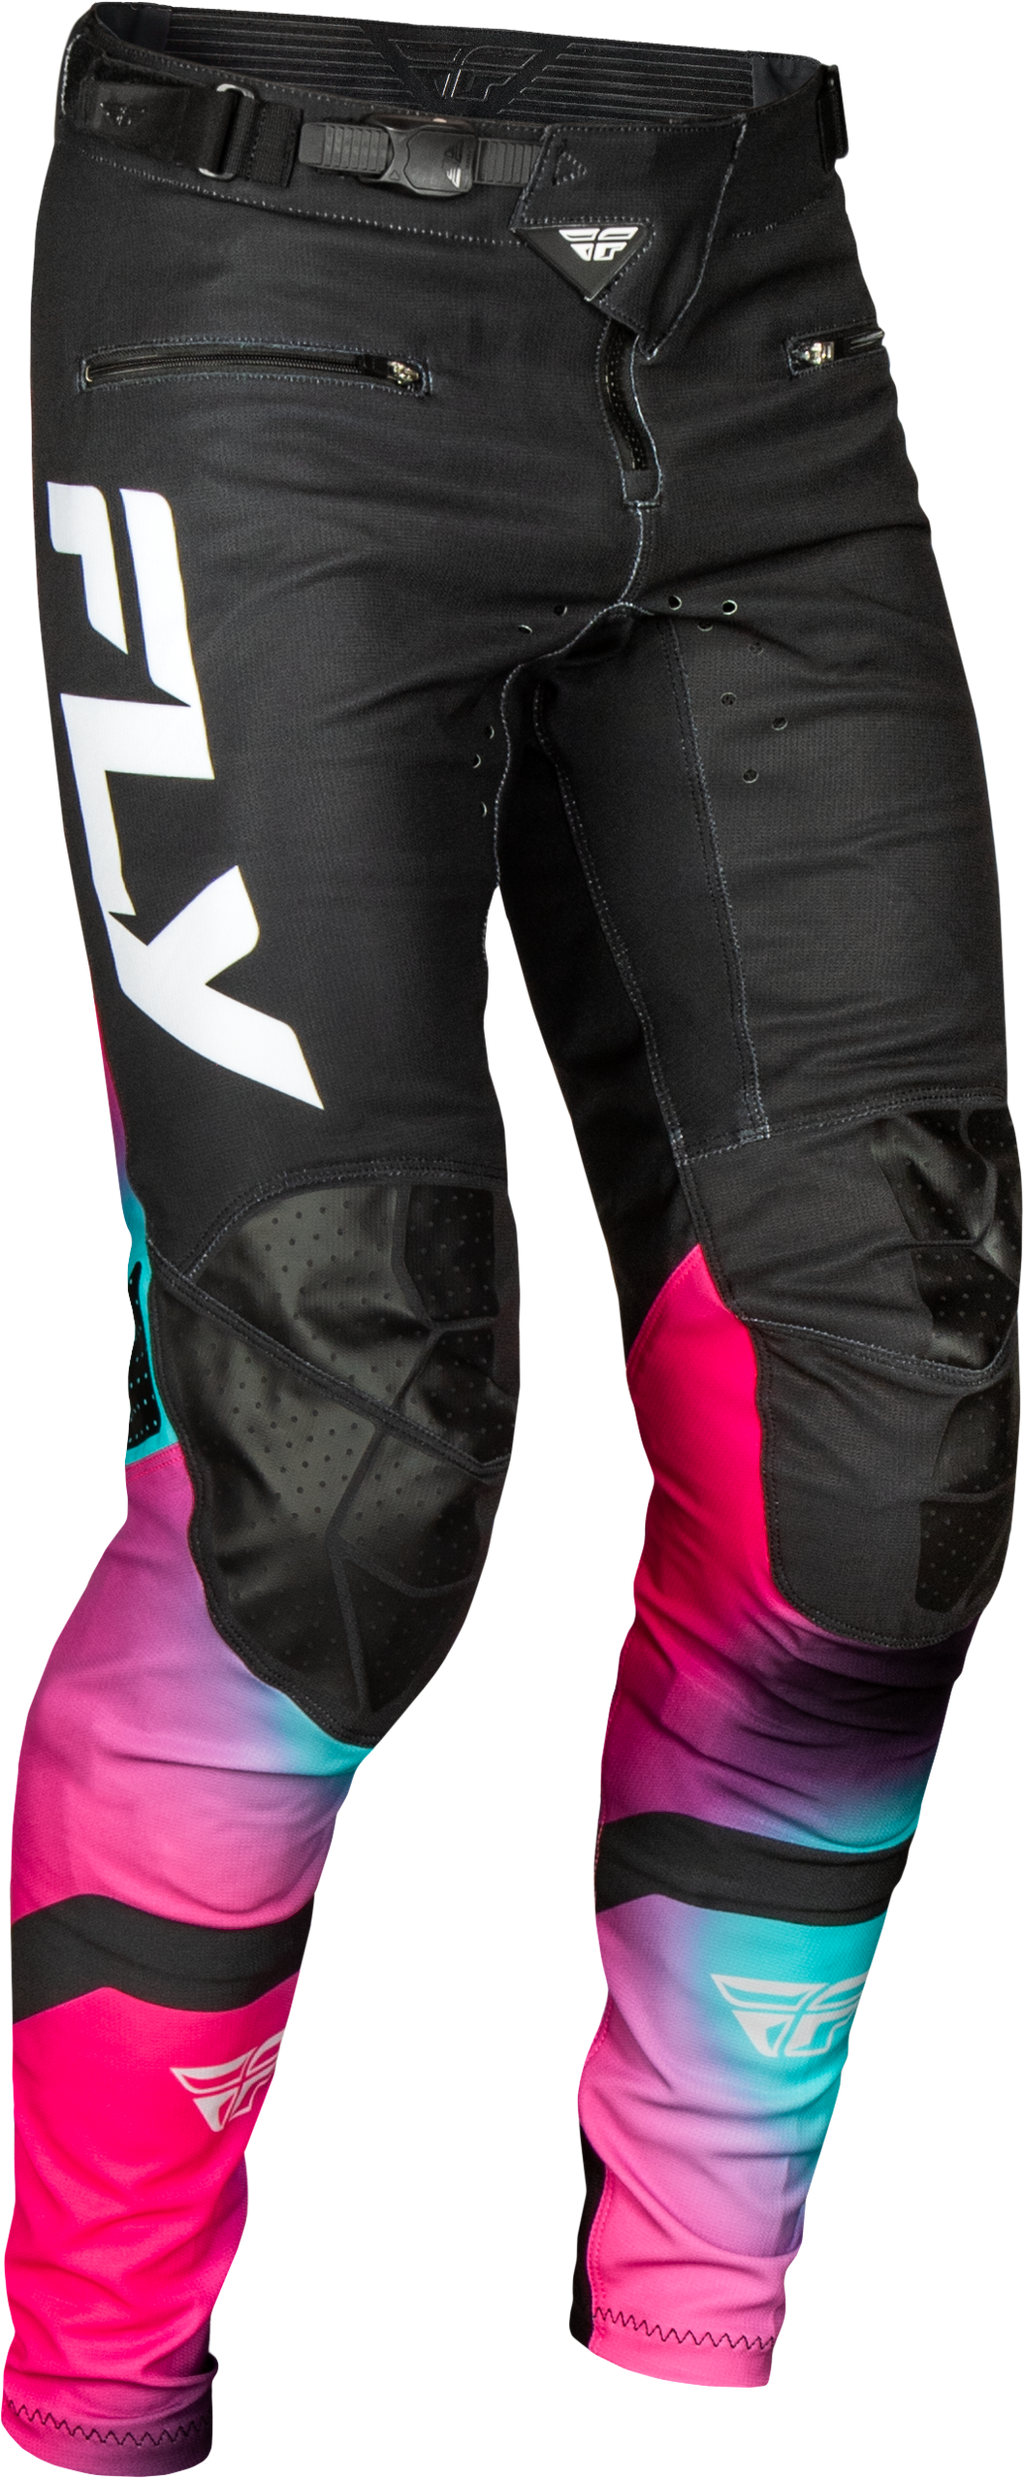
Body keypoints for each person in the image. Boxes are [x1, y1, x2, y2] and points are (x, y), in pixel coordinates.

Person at [7, 9, 1020, 2469]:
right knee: (328, 1482)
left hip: (764, 311)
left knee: (881, 1477)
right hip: (263, 297)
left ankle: (688, 2365)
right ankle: (102, 2404)